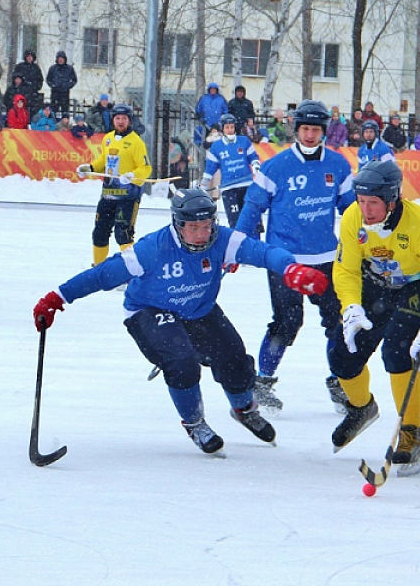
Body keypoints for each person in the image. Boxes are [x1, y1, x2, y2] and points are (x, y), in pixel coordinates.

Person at [32, 188, 329, 454]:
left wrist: (290, 269)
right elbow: (101, 275)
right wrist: (57, 298)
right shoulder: (152, 249)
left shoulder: (222, 239)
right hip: (148, 311)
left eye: (206, 226)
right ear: (178, 224)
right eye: (193, 228)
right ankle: (195, 422)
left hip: (198, 310)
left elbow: (263, 252)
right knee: (182, 362)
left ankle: (243, 409)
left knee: (235, 359)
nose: (202, 234)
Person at [326, 160, 420, 477]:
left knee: (398, 351)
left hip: (416, 287)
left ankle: (411, 432)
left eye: (373, 203)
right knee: (341, 353)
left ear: (392, 200)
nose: (365, 210)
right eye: (361, 201)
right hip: (374, 284)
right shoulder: (353, 218)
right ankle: (361, 407)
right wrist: (350, 306)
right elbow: (345, 269)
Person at [235, 100, 356, 415]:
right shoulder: (276, 166)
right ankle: (263, 381)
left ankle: (340, 381)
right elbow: (253, 206)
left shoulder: (338, 165)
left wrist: (368, 237)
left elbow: (352, 209)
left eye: (316, 129)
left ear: (323, 131)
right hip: (284, 259)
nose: (310, 135)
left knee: (338, 320)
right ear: (297, 130)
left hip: (326, 258)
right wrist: (236, 245)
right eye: (305, 129)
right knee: (288, 322)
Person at [75, 104, 152, 266]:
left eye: (124, 118)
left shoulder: (136, 142)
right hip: (108, 194)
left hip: (128, 196)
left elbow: (146, 168)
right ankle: (99, 269)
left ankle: (130, 270)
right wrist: (90, 168)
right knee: (99, 232)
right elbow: (104, 160)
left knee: (123, 234)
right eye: (117, 118)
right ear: (112, 120)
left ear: (129, 120)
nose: (121, 121)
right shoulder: (108, 138)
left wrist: (132, 175)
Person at [200, 113, 261, 229]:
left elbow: (253, 156)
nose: (230, 130)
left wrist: (255, 165)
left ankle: (253, 239)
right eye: (227, 127)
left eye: (232, 127)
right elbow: (210, 167)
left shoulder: (244, 141)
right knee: (235, 221)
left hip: (246, 185)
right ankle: (237, 239)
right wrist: (204, 183)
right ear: (222, 129)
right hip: (229, 189)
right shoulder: (216, 146)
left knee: (252, 219)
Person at [45, 50, 77, 115]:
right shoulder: (52, 68)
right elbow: (48, 79)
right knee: (53, 113)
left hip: (65, 94)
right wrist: (53, 85)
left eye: (62, 58)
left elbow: (74, 80)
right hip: (55, 94)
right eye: (59, 58)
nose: (60, 60)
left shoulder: (69, 68)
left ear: (65, 59)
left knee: (65, 113)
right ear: (57, 59)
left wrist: (68, 86)